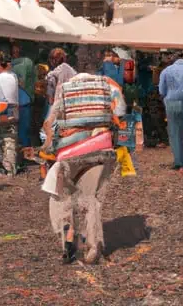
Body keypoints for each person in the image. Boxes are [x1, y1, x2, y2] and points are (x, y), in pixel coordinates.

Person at [41, 73, 126, 265]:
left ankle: (68, 239)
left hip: (71, 154)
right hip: (101, 150)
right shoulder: (106, 87)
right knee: (90, 198)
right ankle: (93, 247)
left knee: (62, 195)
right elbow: (120, 112)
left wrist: (46, 145)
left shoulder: (64, 90)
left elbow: (49, 123)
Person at [159, 51, 183, 179]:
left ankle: (178, 162)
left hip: (171, 102)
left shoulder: (166, 70)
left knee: (174, 132)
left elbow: (161, 90)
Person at [11, 42, 36, 149]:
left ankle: (22, 153)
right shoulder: (27, 62)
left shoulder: (22, 63)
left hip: (20, 102)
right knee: (23, 130)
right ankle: (24, 152)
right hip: (23, 101)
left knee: (19, 131)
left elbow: (23, 81)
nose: (15, 52)